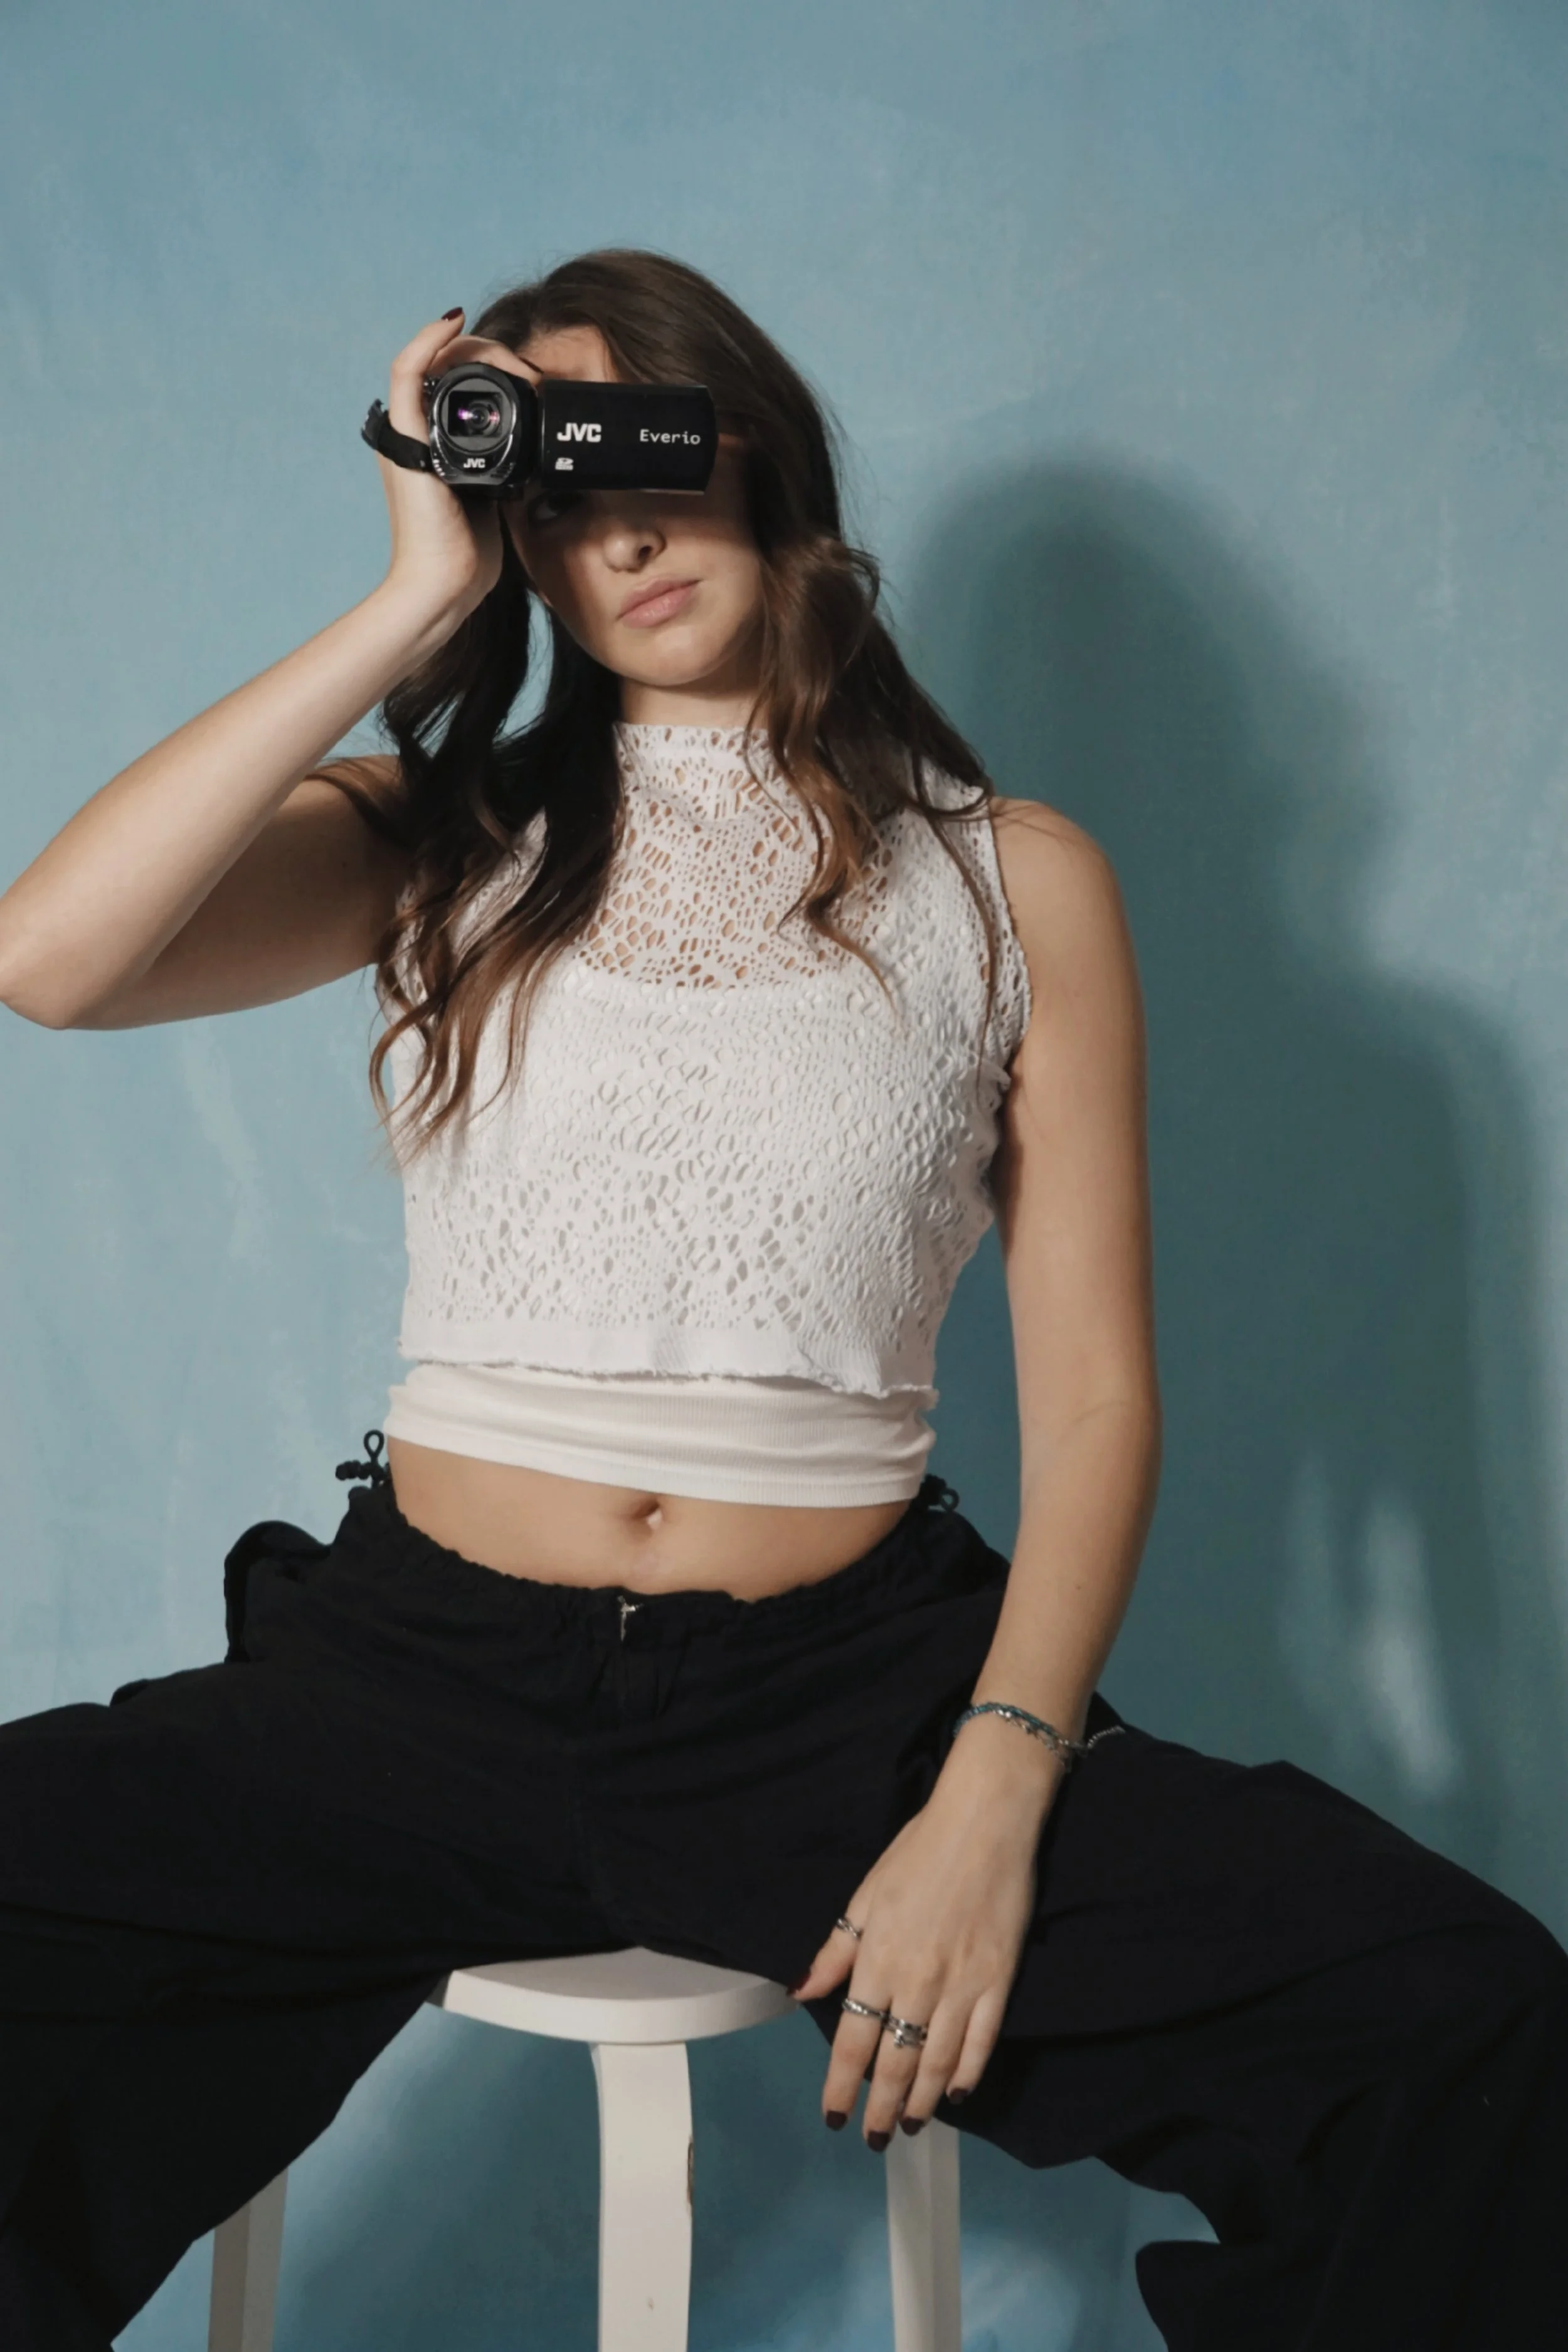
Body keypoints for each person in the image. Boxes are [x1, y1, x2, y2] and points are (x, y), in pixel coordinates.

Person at [0, 248, 1562, 2352]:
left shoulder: (1013, 880)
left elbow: (1094, 1400)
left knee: (1460, 2025)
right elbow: (52, 959)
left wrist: (995, 1792)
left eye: (648, 447)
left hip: (838, 1708)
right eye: (552, 488)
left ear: (758, 446)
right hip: (407, 1678)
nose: (620, 530)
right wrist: (404, 602)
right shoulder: (443, 833)